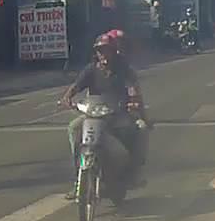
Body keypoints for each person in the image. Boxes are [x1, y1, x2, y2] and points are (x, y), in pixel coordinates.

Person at [60, 34, 149, 199]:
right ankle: (78, 182)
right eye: (100, 51)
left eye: (106, 50)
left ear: (114, 51)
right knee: (74, 128)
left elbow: (132, 88)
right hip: (94, 114)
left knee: (140, 128)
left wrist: (133, 101)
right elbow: (76, 86)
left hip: (118, 113)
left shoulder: (124, 69)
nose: (103, 54)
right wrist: (67, 98)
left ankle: (133, 173)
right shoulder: (91, 69)